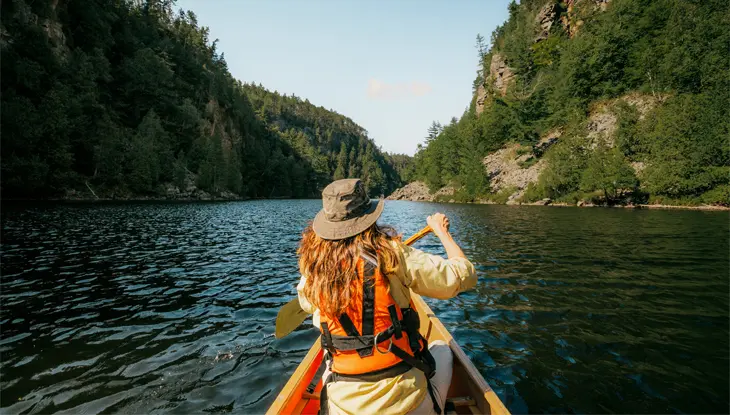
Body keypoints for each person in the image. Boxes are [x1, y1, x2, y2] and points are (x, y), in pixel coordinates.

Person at [296, 178, 477, 415]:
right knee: (442, 348)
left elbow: (306, 303)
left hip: (344, 407)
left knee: (327, 357)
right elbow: (464, 276)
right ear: (369, 217)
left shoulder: (314, 267)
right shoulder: (393, 254)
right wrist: (441, 232)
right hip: (405, 404)